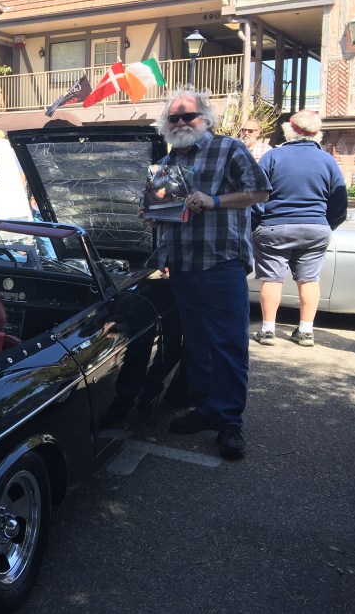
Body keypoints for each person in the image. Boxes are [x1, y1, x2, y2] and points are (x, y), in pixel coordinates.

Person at [143, 87, 270, 458]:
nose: (181, 123)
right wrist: (151, 214)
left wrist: (214, 201)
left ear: (205, 118)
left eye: (188, 116)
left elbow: (260, 192)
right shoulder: (164, 164)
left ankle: (229, 421)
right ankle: (206, 409)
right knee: (196, 345)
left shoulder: (229, 148)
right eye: (174, 118)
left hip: (221, 263)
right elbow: (160, 213)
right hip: (182, 266)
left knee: (227, 344)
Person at [253, 110, 347, 348]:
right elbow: (339, 203)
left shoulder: (272, 157)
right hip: (315, 228)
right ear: (317, 133)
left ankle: (267, 330)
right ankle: (305, 331)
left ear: (288, 131)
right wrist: (326, 225)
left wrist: (256, 224)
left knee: (272, 279)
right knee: (309, 280)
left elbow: (256, 195)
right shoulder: (327, 160)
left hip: (274, 227)